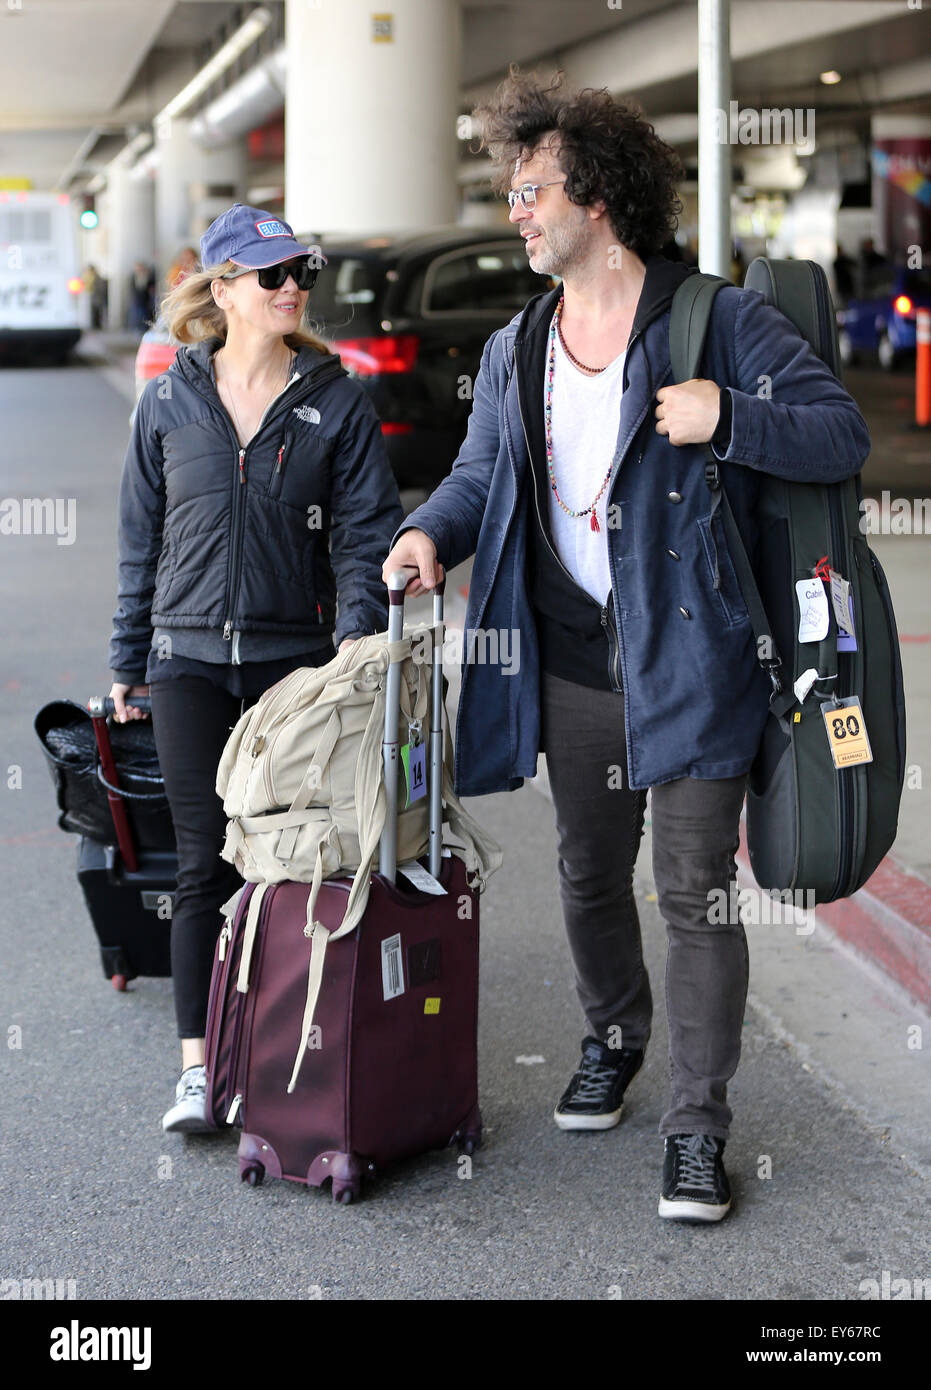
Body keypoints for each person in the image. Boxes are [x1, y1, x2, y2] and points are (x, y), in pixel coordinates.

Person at [381, 72, 870, 1223]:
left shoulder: (715, 321)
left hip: (693, 661)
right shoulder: (517, 346)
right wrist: (424, 533)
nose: (516, 209)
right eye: (510, 191)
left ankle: (698, 1126)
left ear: (595, 196)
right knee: (589, 872)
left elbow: (839, 434)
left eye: (529, 188)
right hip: (569, 661)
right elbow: (477, 473)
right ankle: (614, 1036)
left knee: (695, 894)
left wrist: (730, 416)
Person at [108, 204, 403, 1133]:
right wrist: (126, 661)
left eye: (299, 274)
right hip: (186, 658)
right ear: (224, 286)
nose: (290, 290)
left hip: (293, 666)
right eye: (269, 275)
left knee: (286, 869)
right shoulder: (168, 399)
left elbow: (364, 534)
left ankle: (280, 1056)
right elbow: (138, 542)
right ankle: (199, 1070)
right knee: (203, 867)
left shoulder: (336, 397)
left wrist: (357, 642)